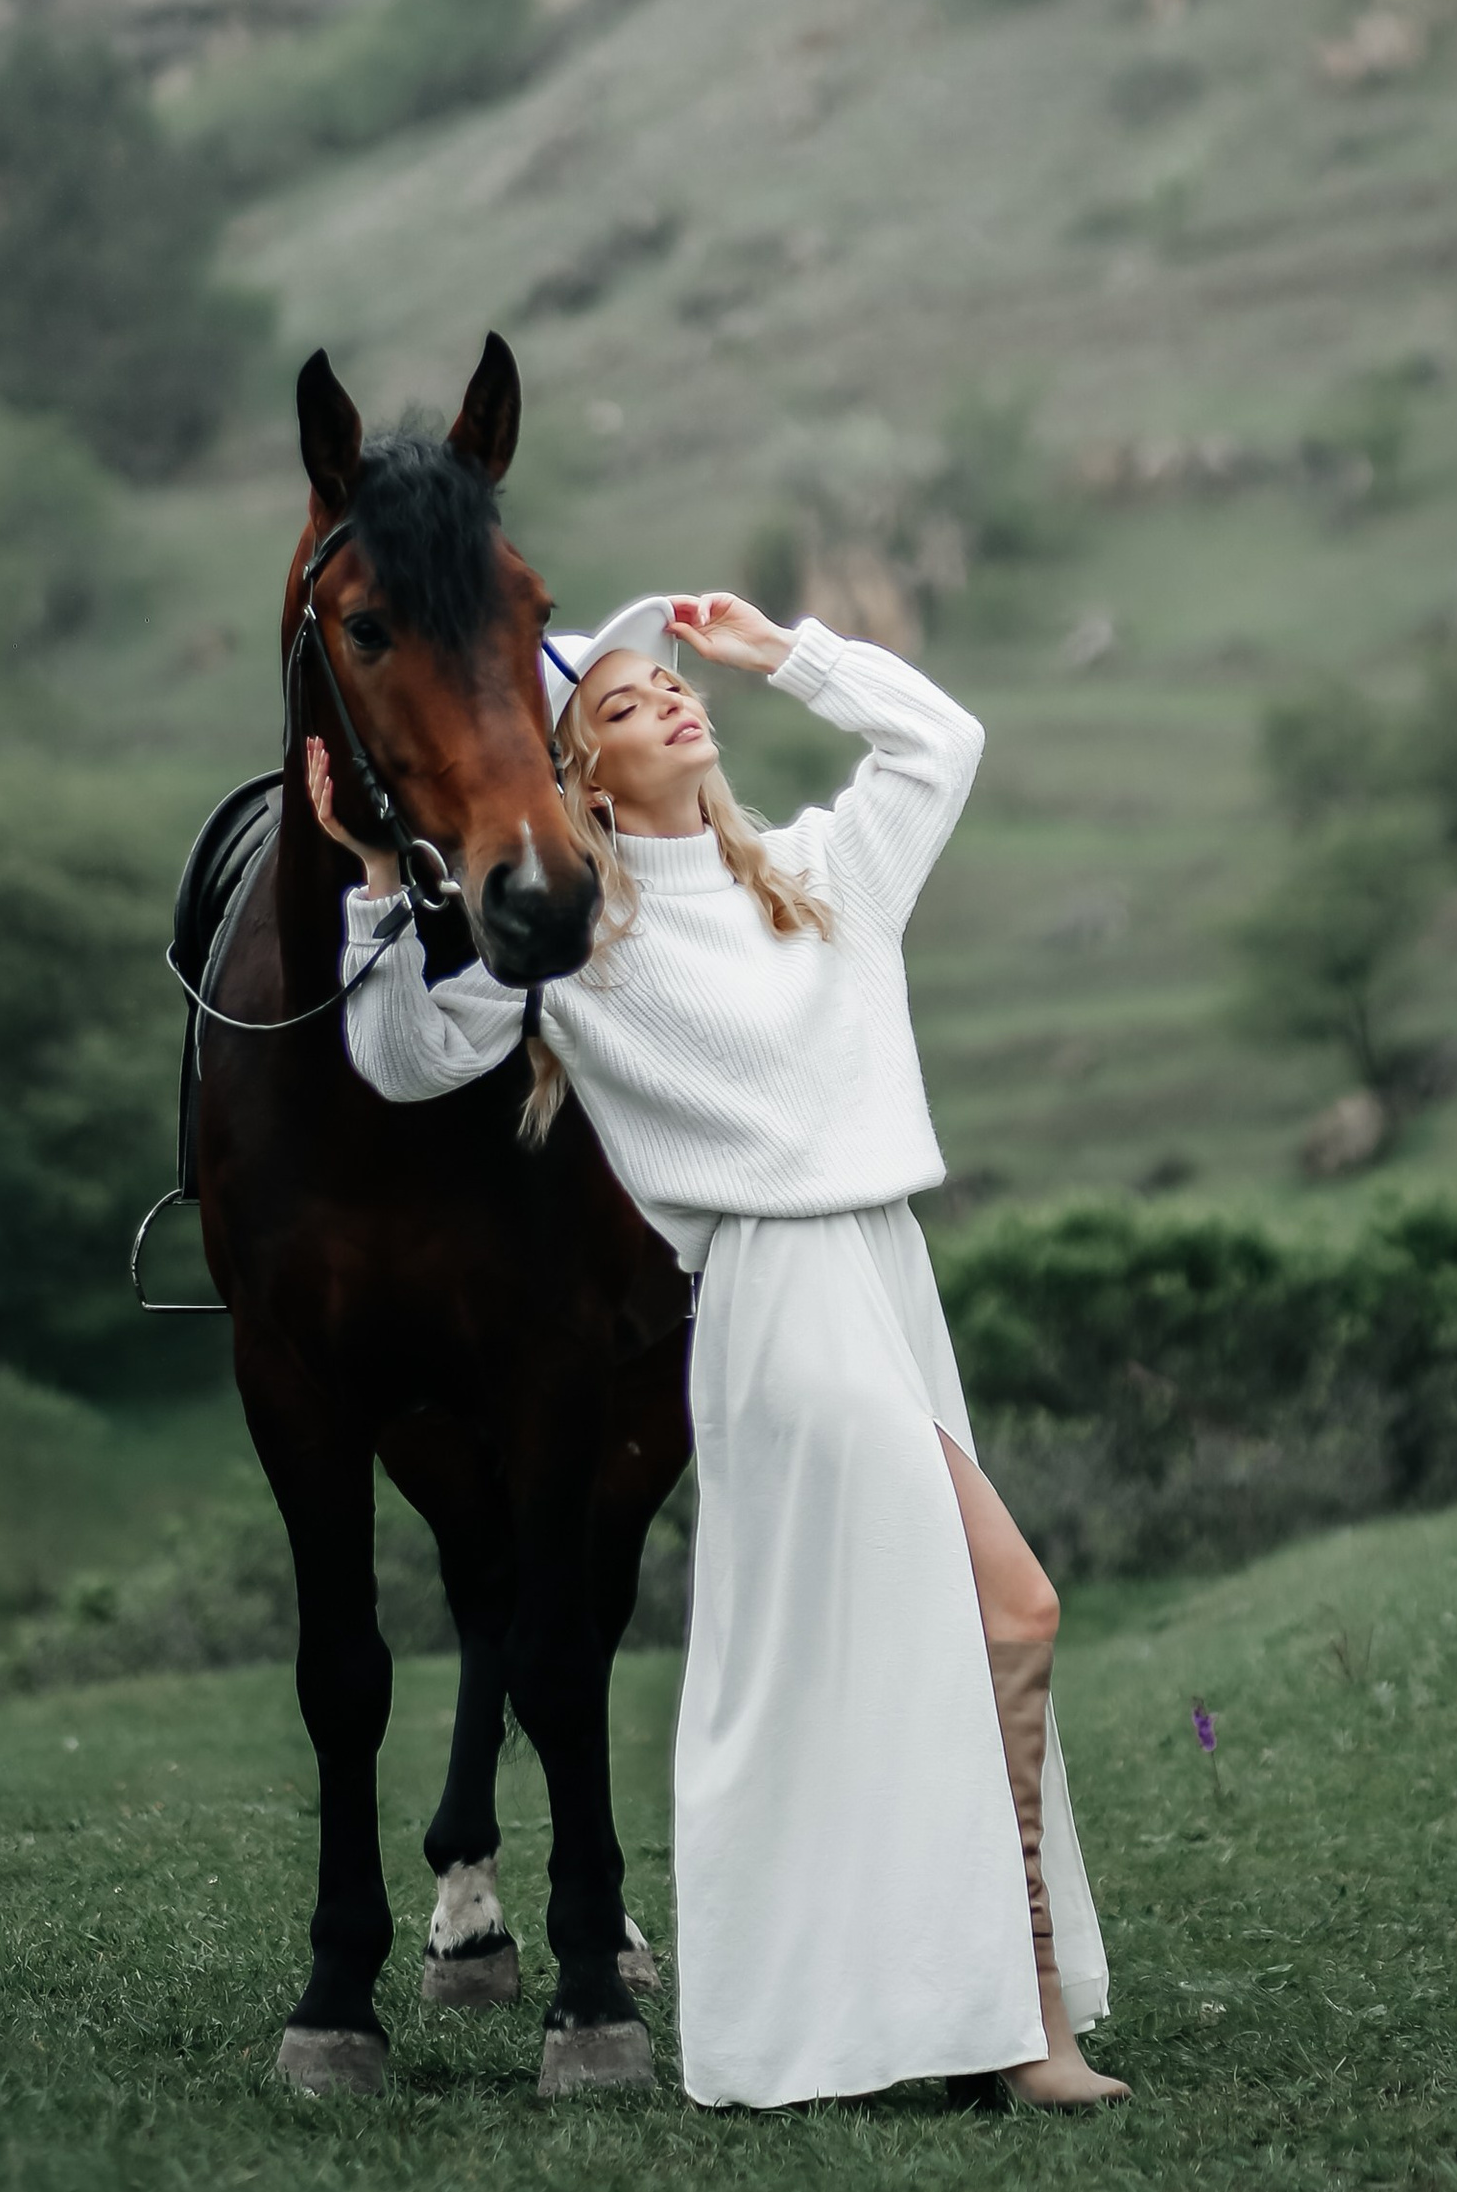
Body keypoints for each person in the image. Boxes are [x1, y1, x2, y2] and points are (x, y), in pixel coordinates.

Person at [305, 588, 1129, 2115]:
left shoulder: (820, 875)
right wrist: (371, 886)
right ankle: (1012, 2034)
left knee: (951, 1645)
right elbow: (409, 1056)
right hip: (773, 1292)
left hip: (886, 1271)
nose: (670, 704)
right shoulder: (584, 945)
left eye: (670, 687)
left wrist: (789, 653)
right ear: (581, 778)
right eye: (620, 709)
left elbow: (944, 741)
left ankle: (990, 2021)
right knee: (1007, 1610)